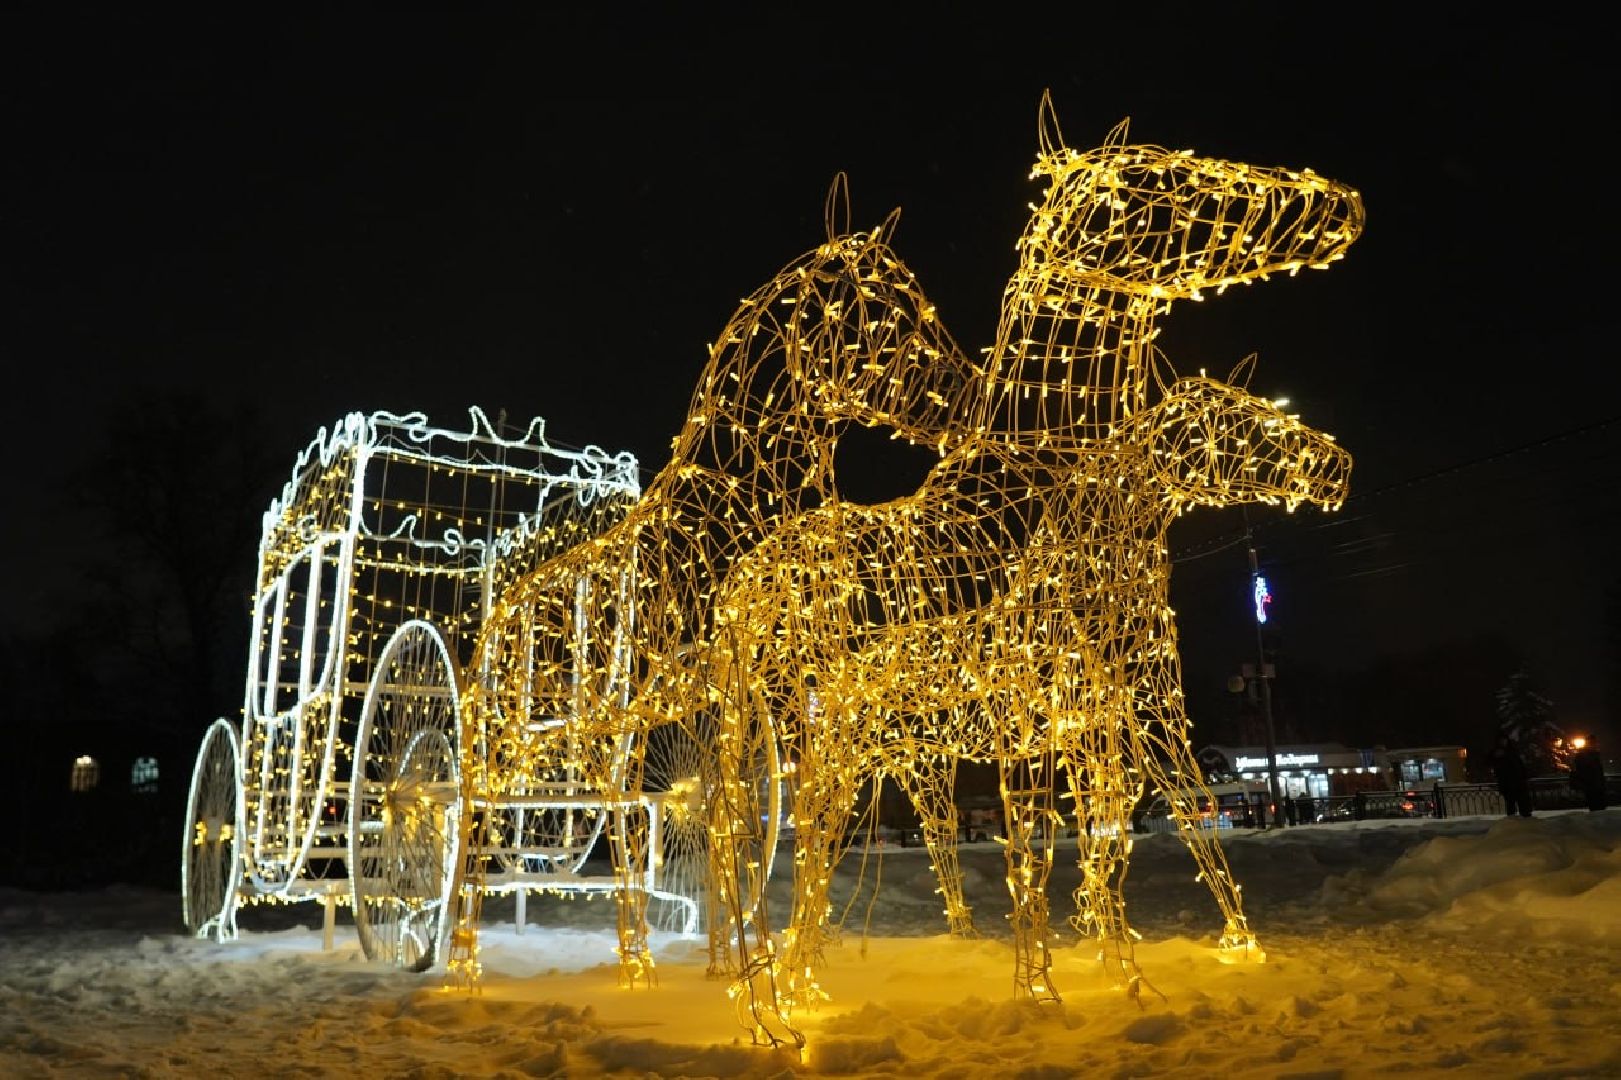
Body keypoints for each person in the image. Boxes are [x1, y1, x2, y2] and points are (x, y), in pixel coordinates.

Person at [1491, 735, 1534, 818]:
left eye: (1504, 740)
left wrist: (1524, 776)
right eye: (1502, 740)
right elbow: (1497, 768)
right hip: (1508, 783)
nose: (1503, 742)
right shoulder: (1499, 754)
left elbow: (1520, 766)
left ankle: (1524, 814)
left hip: (1517, 782)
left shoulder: (1512, 752)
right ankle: (1515, 817)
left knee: (1522, 802)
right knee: (1511, 803)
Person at [1570, 743, 1608, 812]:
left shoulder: (1582, 759)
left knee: (1594, 806)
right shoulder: (1595, 759)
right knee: (1599, 807)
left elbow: (1577, 772)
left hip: (1591, 786)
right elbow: (1599, 774)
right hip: (1596, 786)